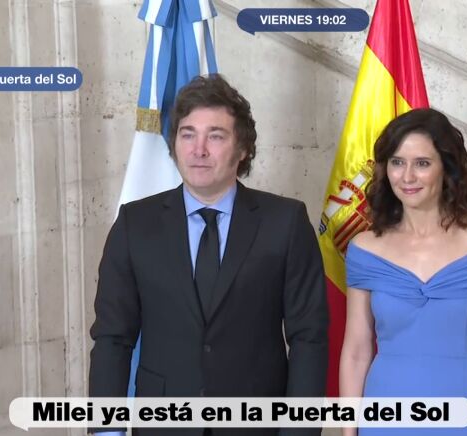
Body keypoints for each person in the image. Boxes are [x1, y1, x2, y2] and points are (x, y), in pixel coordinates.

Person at [89, 74, 329, 436]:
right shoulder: (134, 224)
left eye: (215, 136)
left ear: (243, 148)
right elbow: (112, 338)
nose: (198, 149)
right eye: (188, 135)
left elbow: (309, 339)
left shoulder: (286, 222)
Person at [339, 108, 467, 435]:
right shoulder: (365, 249)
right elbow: (356, 351)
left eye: (422, 163)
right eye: (397, 162)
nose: (407, 176)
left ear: (446, 168)